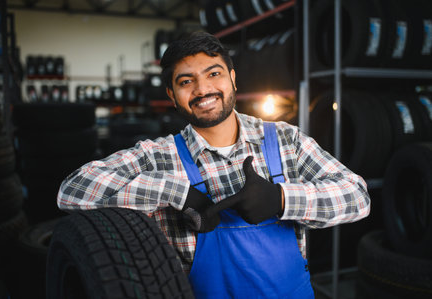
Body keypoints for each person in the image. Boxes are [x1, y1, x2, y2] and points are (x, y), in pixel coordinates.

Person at [57, 31, 370, 298]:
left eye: (213, 73)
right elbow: (72, 191)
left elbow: (357, 196)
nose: (203, 89)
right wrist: (174, 192)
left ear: (232, 78)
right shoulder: (158, 156)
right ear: (171, 94)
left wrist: (281, 198)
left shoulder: (285, 140)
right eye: (186, 81)